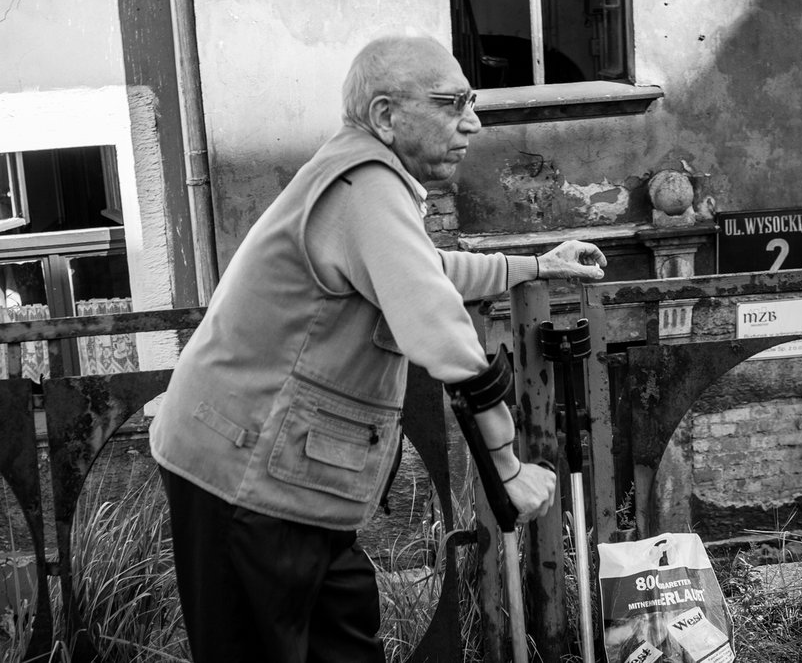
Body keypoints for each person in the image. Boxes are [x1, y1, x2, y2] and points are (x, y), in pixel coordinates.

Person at [149, 34, 607, 663]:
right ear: (387, 116)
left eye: (470, 102)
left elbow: (421, 270)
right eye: (450, 104)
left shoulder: (369, 183)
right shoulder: (363, 186)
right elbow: (438, 326)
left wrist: (532, 266)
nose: (472, 122)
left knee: (343, 639)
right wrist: (507, 470)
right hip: (242, 475)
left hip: (292, 482)